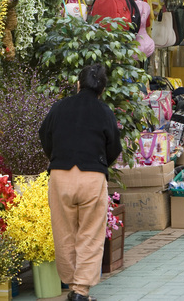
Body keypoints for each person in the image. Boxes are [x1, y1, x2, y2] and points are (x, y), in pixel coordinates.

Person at [39, 64, 122, 301]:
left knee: (64, 232)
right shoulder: (104, 110)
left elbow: (45, 134)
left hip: (61, 176)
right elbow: (114, 145)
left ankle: (71, 283)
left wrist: (57, 157)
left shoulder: (60, 107)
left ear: (78, 84)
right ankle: (80, 291)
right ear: (102, 89)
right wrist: (100, 163)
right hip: (92, 177)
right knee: (90, 234)